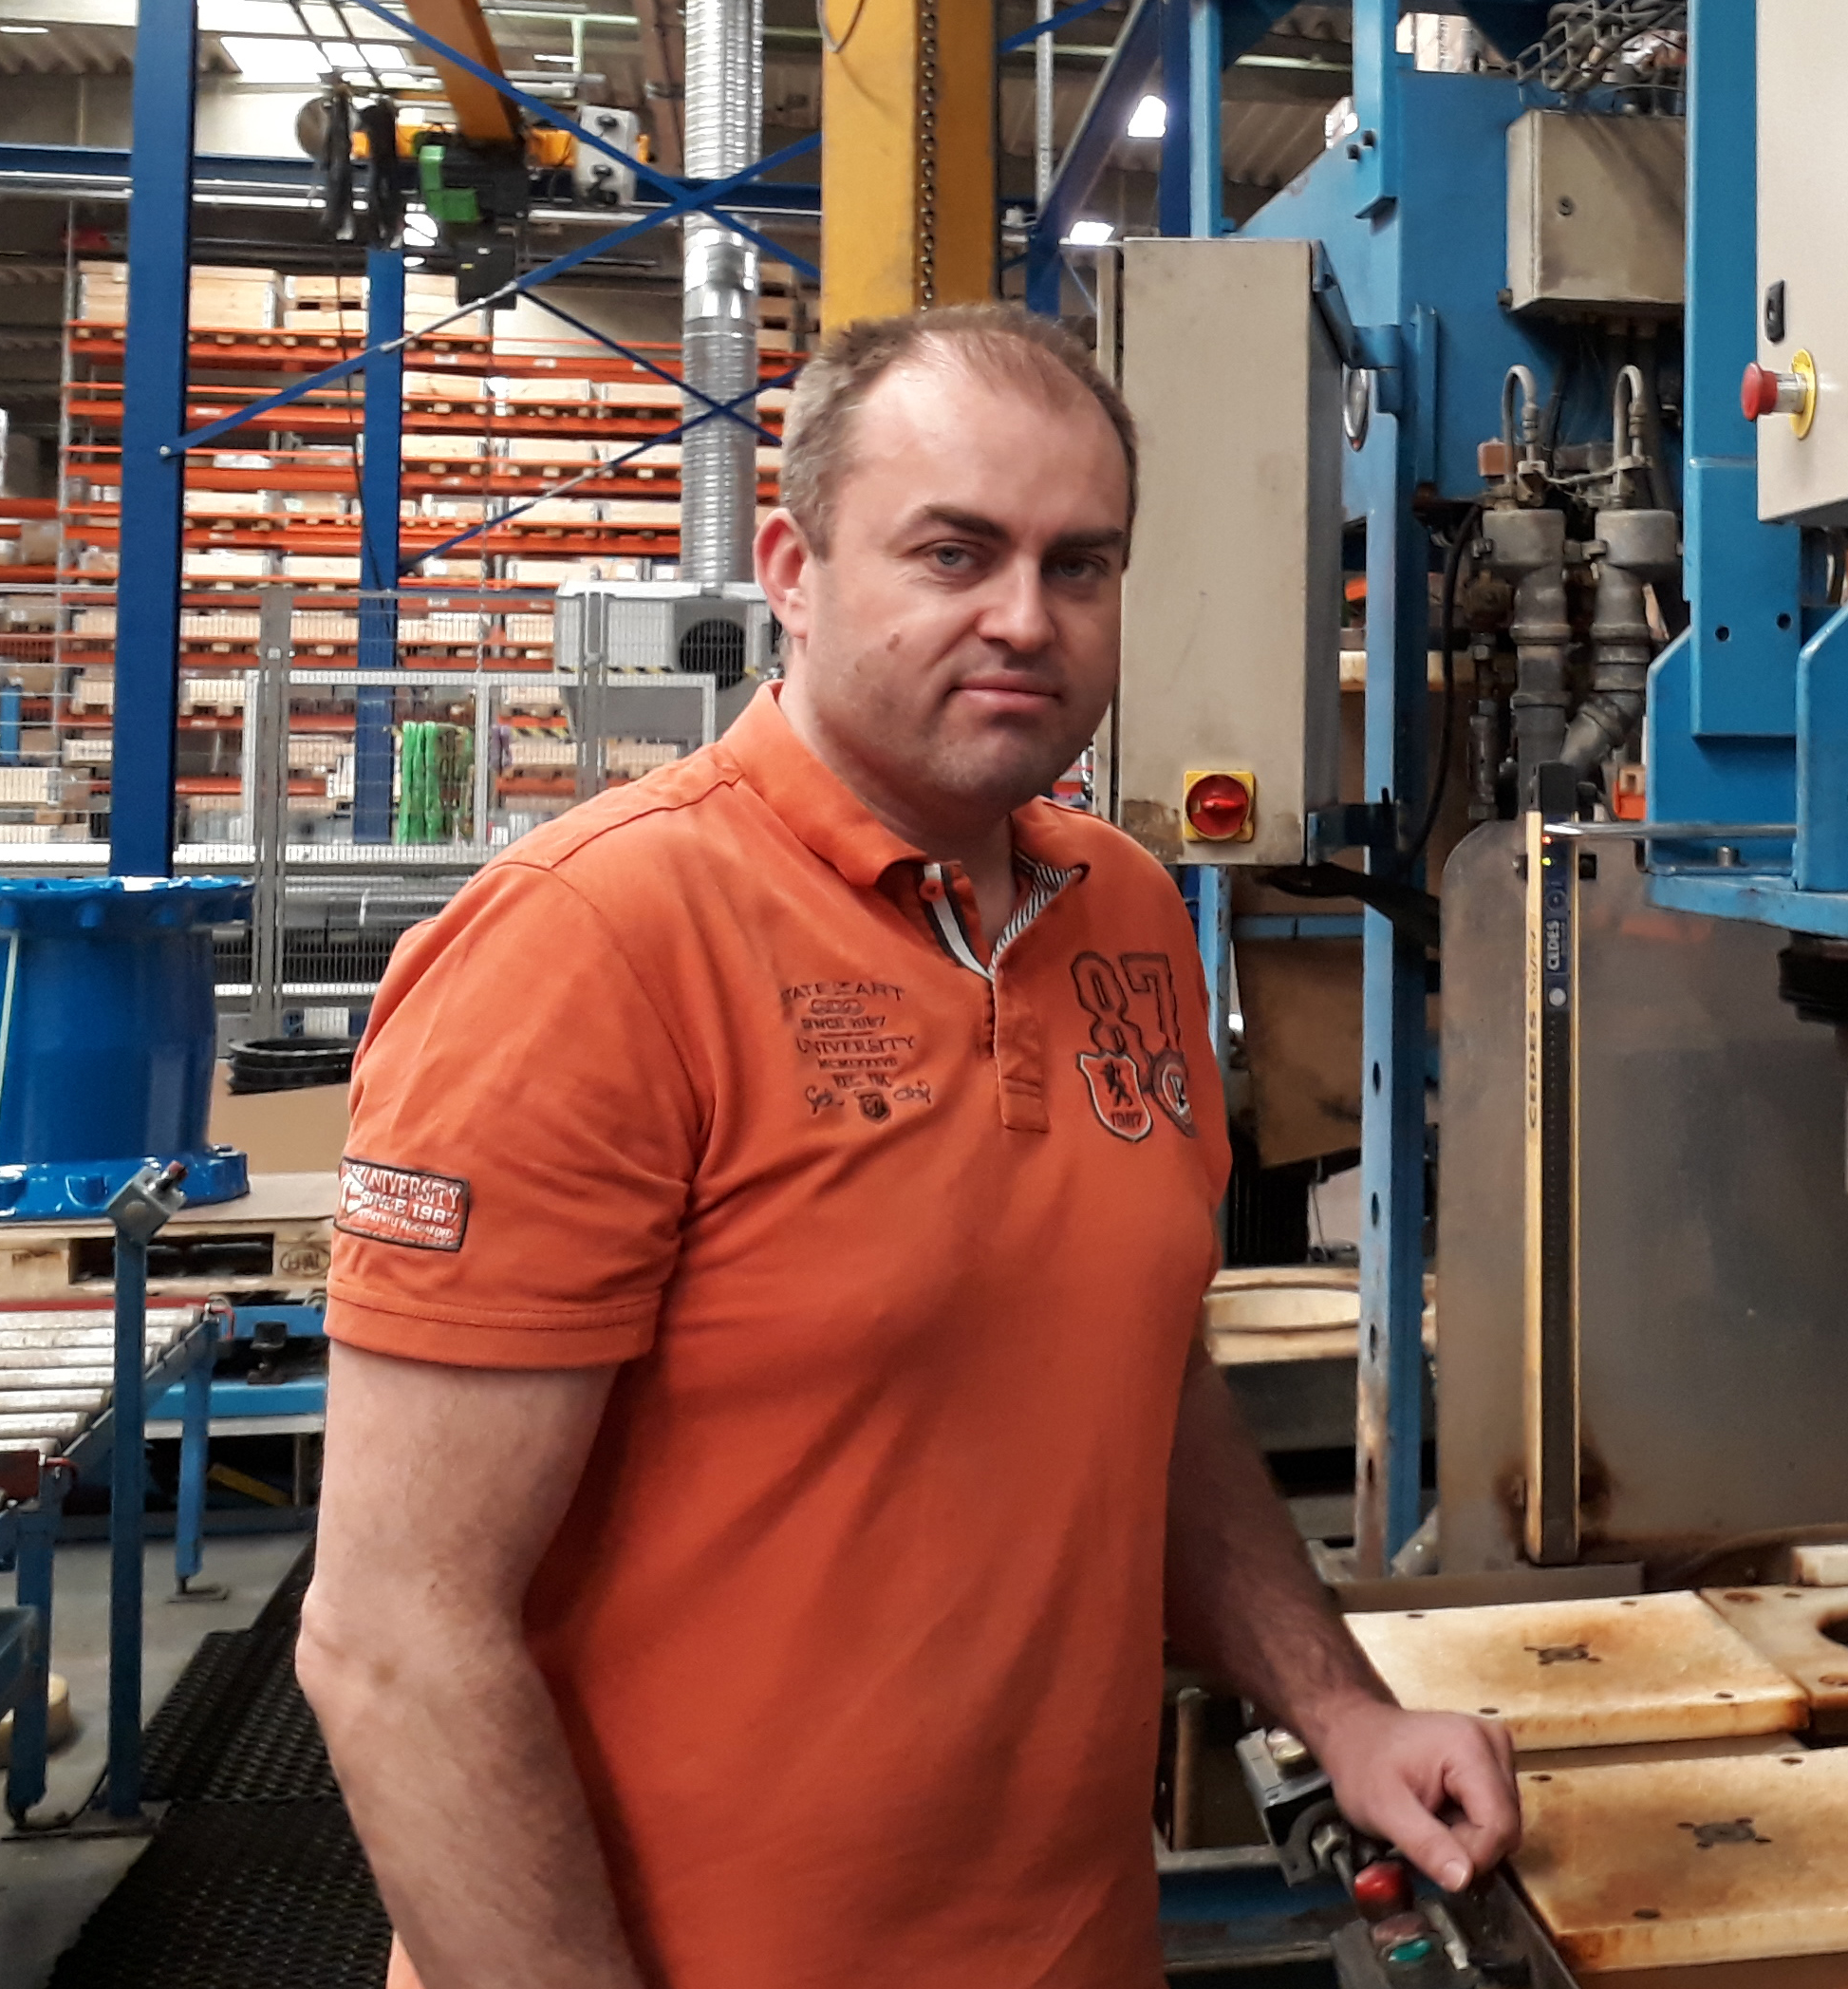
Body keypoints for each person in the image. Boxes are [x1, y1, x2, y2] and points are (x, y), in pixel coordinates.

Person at [296, 302, 1521, 1989]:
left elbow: (1135, 1381)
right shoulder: (593, 944)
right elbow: (392, 1641)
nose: (1024, 618)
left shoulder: (1127, 911)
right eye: (954, 553)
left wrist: (1341, 1709)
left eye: (1079, 566)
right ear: (792, 570)